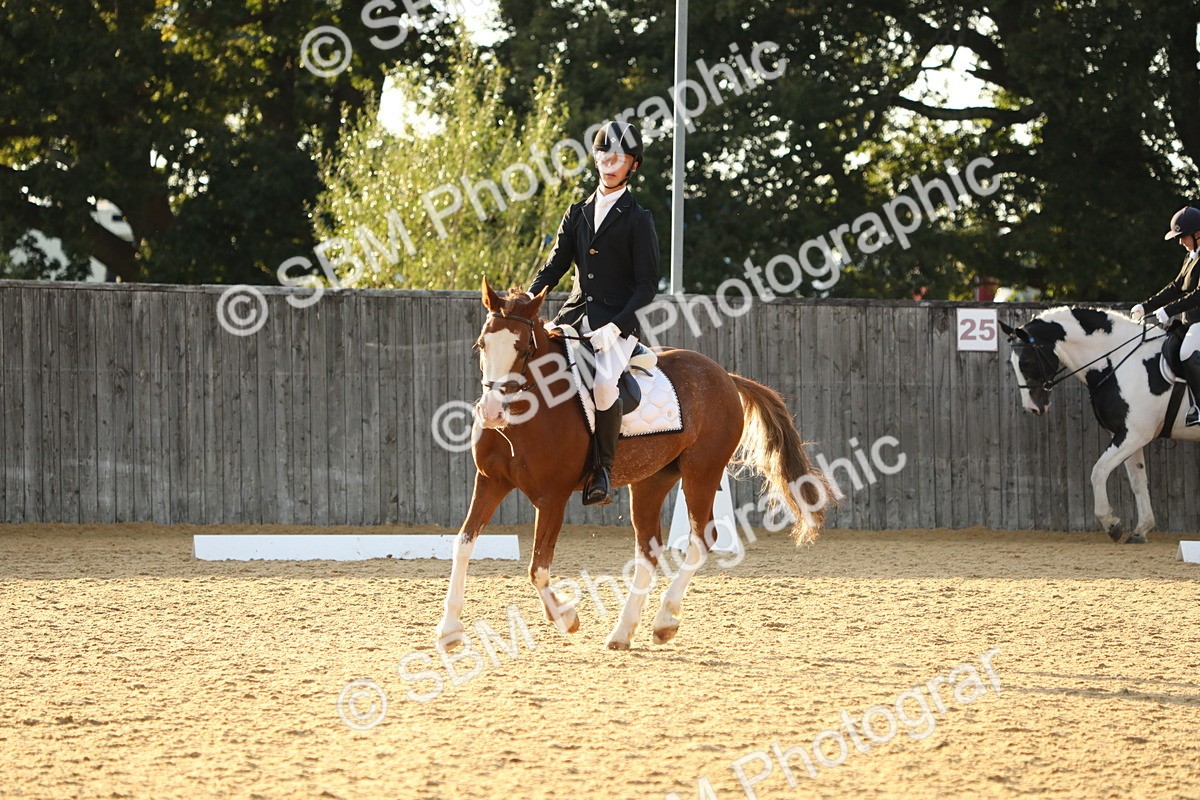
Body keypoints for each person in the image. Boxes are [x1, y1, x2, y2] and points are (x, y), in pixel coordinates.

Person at [525, 121, 660, 505]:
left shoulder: (638, 218)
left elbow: (646, 286)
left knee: (602, 385)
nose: (609, 162)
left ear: (633, 166)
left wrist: (617, 327)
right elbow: (554, 268)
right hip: (574, 316)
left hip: (617, 325)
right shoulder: (577, 212)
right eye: (603, 155)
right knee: (535, 366)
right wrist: (526, 301)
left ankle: (601, 470)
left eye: (618, 157)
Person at [1132, 206, 1200, 425]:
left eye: (1183, 237)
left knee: (1188, 351)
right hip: (1190, 322)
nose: (1181, 242)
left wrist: (1168, 310)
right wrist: (1146, 306)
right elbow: (1176, 287)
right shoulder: (1191, 257)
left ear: (1198, 233)